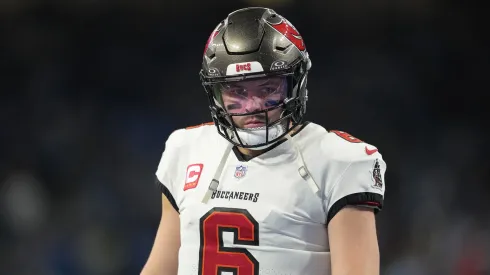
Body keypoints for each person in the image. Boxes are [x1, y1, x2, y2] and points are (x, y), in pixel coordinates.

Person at [141, 7, 386, 275]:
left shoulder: (338, 161)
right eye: (236, 90)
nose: (253, 106)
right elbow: (160, 268)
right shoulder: (186, 149)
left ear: (295, 83)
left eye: (268, 88)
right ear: (216, 92)